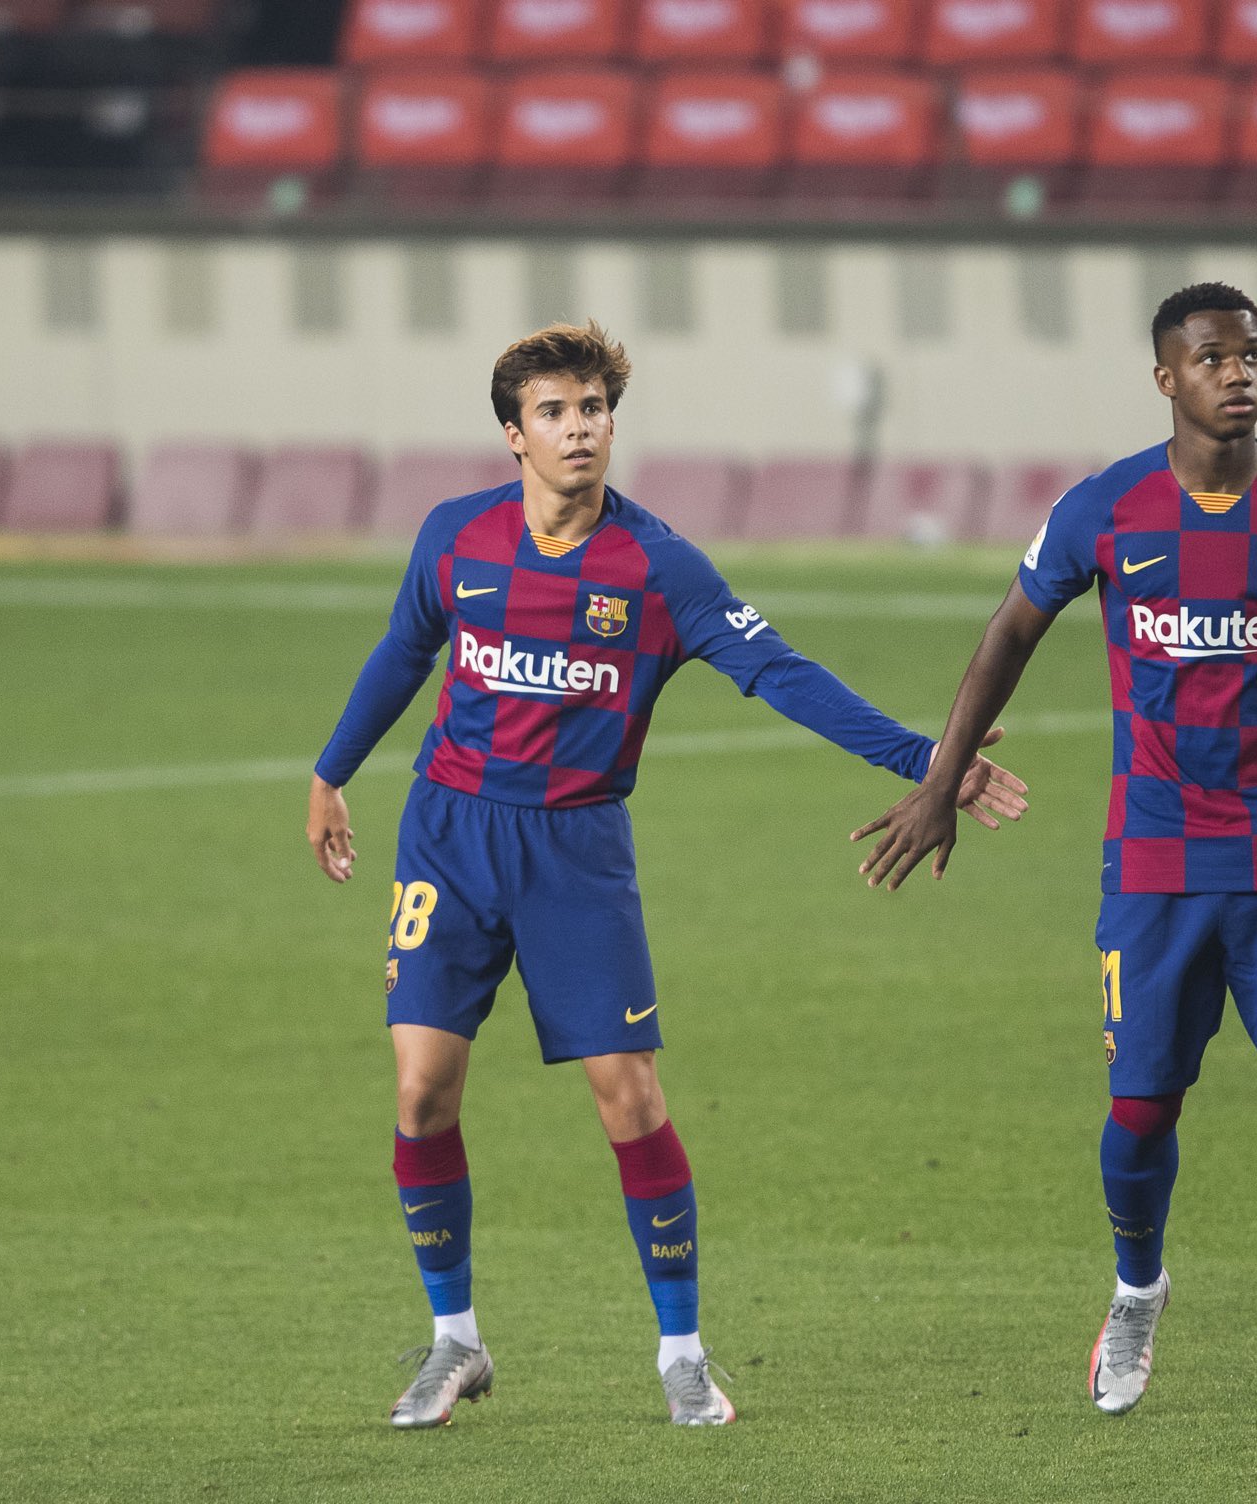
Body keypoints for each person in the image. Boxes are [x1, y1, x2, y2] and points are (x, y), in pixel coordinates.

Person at [305, 320, 1026, 1429]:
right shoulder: (455, 538)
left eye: (593, 409)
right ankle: (455, 1341)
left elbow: (779, 674)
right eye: (554, 411)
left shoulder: (656, 566)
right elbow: (406, 651)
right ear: (514, 434)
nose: (579, 428)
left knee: (629, 1098)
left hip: (575, 854)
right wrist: (331, 772)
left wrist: (930, 763)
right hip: (448, 836)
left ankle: (682, 1353)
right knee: (420, 1090)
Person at [852, 284, 1257, 1426]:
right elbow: (1009, 630)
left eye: (1251, 353)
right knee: (1141, 1109)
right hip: (1152, 855)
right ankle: (1137, 1288)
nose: (1238, 372)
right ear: (1167, 378)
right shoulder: (1105, 509)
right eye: (1211, 357)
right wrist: (940, 780)